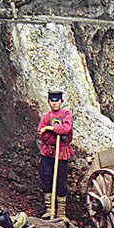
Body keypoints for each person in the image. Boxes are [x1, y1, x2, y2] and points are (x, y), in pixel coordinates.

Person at [37, 87, 74, 220]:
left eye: (57, 101)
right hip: (48, 152)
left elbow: (66, 128)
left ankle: (61, 213)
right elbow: (41, 132)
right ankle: (49, 209)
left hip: (62, 152)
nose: (54, 103)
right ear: (48, 102)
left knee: (61, 180)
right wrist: (49, 131)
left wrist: (51, 128)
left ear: (61, 101)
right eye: (52, 101)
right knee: (47, 179)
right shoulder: (46, 116)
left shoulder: (66, 114)